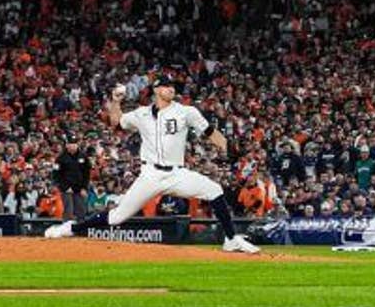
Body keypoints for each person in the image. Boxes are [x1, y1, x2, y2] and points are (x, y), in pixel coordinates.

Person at [44, 75, 260, 254]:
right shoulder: (142, 114)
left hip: (177, 174)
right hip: (151, 175)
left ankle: (231, 239)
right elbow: (116, 122)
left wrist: (228, 148)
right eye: (167, 86)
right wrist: (116, 101)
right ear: (157, 90)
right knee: (117, 217)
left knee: (214, 190)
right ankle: (71, 228)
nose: (172, 89)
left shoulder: (186, 112)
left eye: (173, 86)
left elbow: (210, 133)